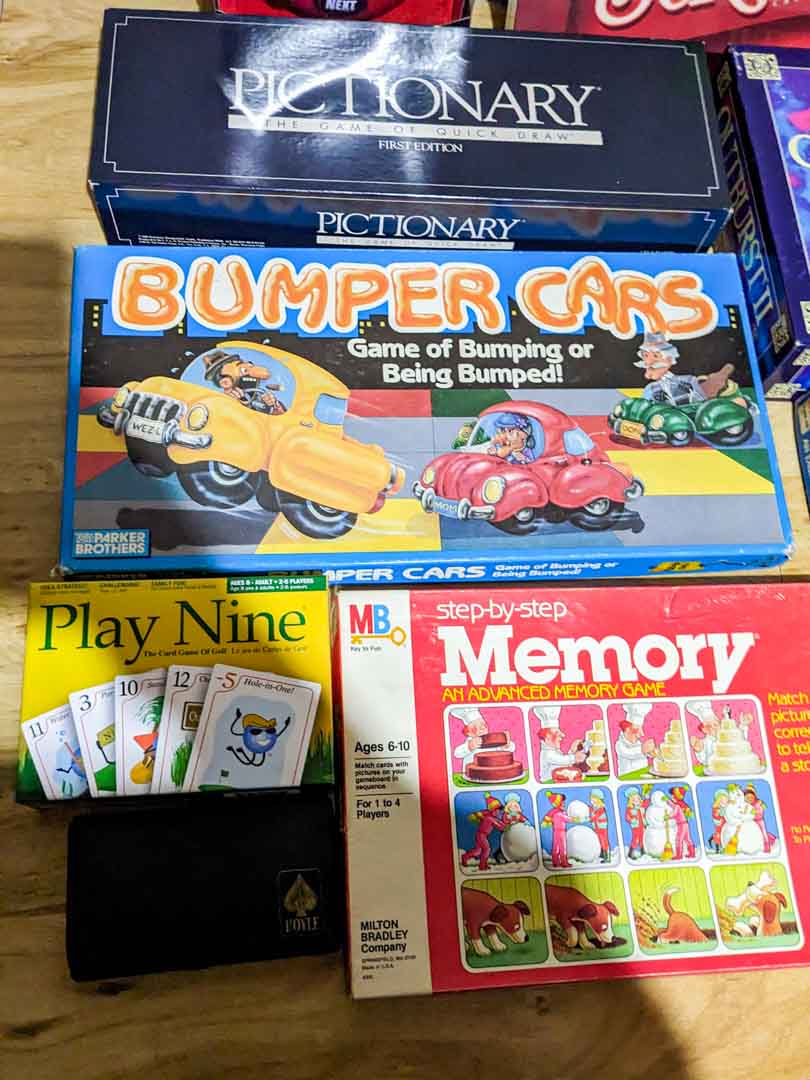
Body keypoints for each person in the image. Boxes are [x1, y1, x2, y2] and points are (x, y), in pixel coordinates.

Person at [533, 705, 587, 781]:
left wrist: (572, 750)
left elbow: (564, 763)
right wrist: (575, 757)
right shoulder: (547, 754)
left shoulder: (555, 751)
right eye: (556, 733)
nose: (562, 735)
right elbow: (562, 760)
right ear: (547, 737)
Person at [462, 793, 507, 872]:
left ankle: (465, 857)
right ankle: (482, 865)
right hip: (481, 835)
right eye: (498, 811)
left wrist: (506, 825)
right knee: (486, 849)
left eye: (500, 811)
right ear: (493, 810)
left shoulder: (491, 817)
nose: (499, 813)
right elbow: (498, 825)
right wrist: (506, 828)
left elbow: (499, 823)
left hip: (481, 835)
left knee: (478, 851)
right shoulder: (489, 818)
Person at [614, 702, 655, 777]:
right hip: (627, 777)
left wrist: (652, 752)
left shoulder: (638, 743)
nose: (642, 734)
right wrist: (643, 749)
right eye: (637, 730)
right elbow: (630, 753)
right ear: (627, 729)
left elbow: (645, 754)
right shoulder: (619, 745)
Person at [541, 791, 571, 868]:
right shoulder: (559, 813)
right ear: (558, 803)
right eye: (562, 802)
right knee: (562, 847)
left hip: (556, 831)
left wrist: (548, 822)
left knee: (556, 847)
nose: (564, 804)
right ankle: (564, 862)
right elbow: (568, 819)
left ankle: (555, 862)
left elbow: (547, 818)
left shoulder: (553, 812)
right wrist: (576, 818)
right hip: (561, 832)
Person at [668, 786, 696, 859]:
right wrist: (668, 801)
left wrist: (667, 817)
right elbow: (673, 805)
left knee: (679, 839)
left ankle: (679, 855)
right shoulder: (679, 805)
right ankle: (692, 853)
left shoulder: (677, 806)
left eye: (673, 796)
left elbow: (674, 813)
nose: (672, 797)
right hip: (685, 824)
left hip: (681, 824)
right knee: (687, 839)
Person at [589, 789, 611, 863]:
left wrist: (588, 818)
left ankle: (607, 857)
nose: (592, 800)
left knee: (604, 841)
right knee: (599, 840)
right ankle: (602, 853)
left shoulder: (601, 808)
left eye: (594, 798)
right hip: (596, 827)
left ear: (599, 800)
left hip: (602, 828)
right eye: (592, 798)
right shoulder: (592, 808)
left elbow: (595, 816)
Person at [624, 787, 645, 859]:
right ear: (631, 801)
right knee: (636, 839)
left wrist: (647, 797)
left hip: (642, 826)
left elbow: (646, 803)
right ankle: (631, 853)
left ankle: (643, 852)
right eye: (634, 800)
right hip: (635, 826)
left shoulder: (641, 806)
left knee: (642, 839)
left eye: (638, 799)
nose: (637, 801)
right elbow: (627, 817)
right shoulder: (630, 809)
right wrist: (632, 820)